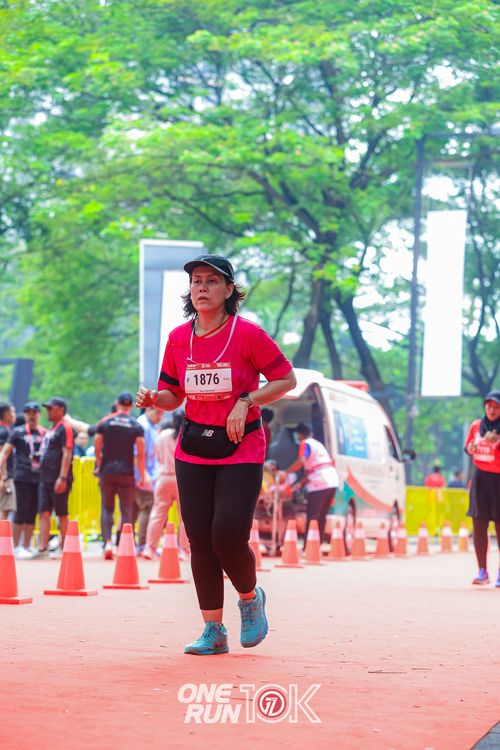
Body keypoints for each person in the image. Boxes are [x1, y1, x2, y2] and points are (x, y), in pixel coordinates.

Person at [136, 253, 296, 655]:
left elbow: (285, 379)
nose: (202, 288)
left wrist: (247, 400)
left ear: (228, 290)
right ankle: (213, 629)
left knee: (226, 534)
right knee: (200, 540)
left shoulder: (248, 334)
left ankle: (250, 598)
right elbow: (173, 395)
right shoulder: (179, 338)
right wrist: (155, 398)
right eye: (196, 281)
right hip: (193, 448)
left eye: (211, 280)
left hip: (241, 446)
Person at [94, 392, 146, 560]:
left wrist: (99, 463)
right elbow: (141, 452)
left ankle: (108, 544)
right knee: (126, 509)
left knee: (107, 508)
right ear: (131, 405)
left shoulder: (105, 422)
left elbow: (97, 445)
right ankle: (123, 545)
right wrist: (141, 474)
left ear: (117, 404)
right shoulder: (135, 425)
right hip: (126, 473)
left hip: (107, 471)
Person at [0, 402, 46, 558]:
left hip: (38, 477)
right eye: (29, 413)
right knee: (20, 510)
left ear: (39, 415)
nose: (32, 416)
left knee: (32, 512)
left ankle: (26, 545)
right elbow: (5, 452)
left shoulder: (44, 433)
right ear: (25, 415)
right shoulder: (17, 432)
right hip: (21, 476)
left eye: (34, 413)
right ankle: (14, 546)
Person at [465, 390, 500, 586]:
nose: (492, 410)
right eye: (489, 406)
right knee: (479, 524)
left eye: (496, 407)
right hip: (480, 479)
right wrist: (470, 449)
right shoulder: (476, 426)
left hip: (499, 479)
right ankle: (482, 570)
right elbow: (468, 447)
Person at [284, 422, 338, 549]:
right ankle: (317, 545)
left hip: (319, 483)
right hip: (332, 481)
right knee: (322, 516)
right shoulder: (318, 445)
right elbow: (313, 470)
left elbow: (301, 461)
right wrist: (298, 485)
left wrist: (286, 473)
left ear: (300, 434)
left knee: (312, 516)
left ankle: (308, 547)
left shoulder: (305, 444)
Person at [143, 412, 188, 560]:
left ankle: (149, 549)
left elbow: (157, 456)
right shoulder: (186, 434)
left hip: (163, 478)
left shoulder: (163, 435)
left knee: (158, 514)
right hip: (182, 479)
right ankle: (184, 551)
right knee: (185, 517)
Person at [38, 397, 75, 556]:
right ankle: (42, 548)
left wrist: (63, 477)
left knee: (62, 513)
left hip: (58, 477)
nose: (47, 411)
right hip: (45, 477)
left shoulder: (65, 427)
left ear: (60, 410)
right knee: (44, 512)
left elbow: (67, 452)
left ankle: (65, 548)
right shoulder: (51, 429)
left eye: (50, 408)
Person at [134, 406, 163, 554]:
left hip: (149, 474)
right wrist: (143, 474)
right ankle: (143, 544)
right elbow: (136, 453)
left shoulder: (153, 426)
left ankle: (128, 543)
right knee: (146, 506)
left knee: (135, 509)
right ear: (148, 410)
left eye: (162, 413)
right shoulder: (143, 426)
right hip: (142, 474)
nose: (160, 416)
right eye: (158, 412)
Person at [0, 402, 16, 520]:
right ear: (5, 414)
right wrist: (3, 477)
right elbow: (2, 454)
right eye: (12, 412)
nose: (14, 415)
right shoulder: (3, 431)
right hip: (5, 476)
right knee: (4, 508)